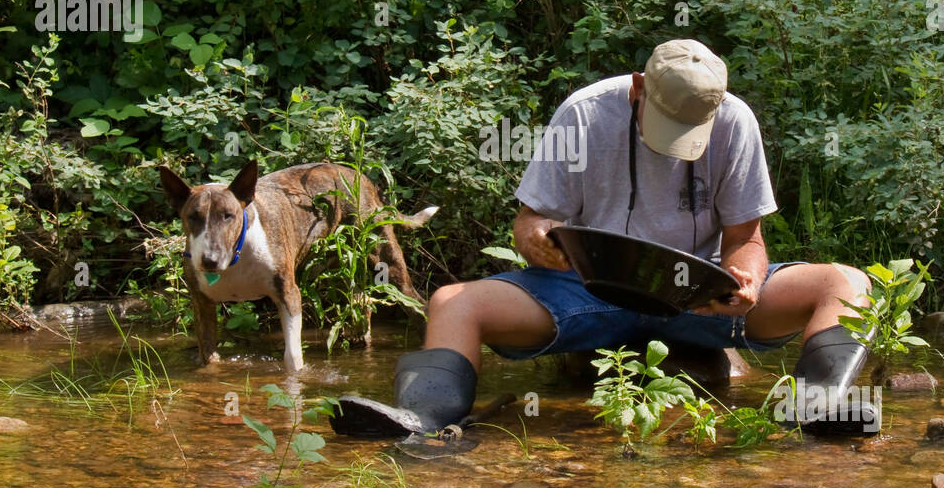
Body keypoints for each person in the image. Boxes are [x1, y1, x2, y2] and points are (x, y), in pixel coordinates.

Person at [331, 39, 877, 438]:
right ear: (639, 89)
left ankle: (819, 408)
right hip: (587, 292)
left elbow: (746, 237)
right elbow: (530, 221)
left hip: (700, 298)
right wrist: (540, 238)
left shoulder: (734, 123)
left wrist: (748, 279)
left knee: (845, 283)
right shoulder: (585, 113)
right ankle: (422, 421)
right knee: (453, 301)